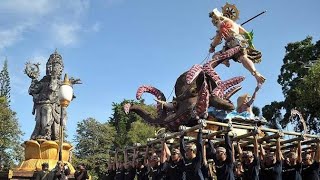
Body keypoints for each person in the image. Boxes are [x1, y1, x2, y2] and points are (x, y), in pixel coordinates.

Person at [208, 8, 265, 86]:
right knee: (242, 58)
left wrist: (212, 46)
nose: (215, 23)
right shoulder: (235, 24)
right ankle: (255, 73)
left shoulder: (221, 23)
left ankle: (225, 60)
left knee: (215, 56)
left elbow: (218, 37)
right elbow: (247, 34)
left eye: (214, 21)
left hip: (233, 43)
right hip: (239, 41)